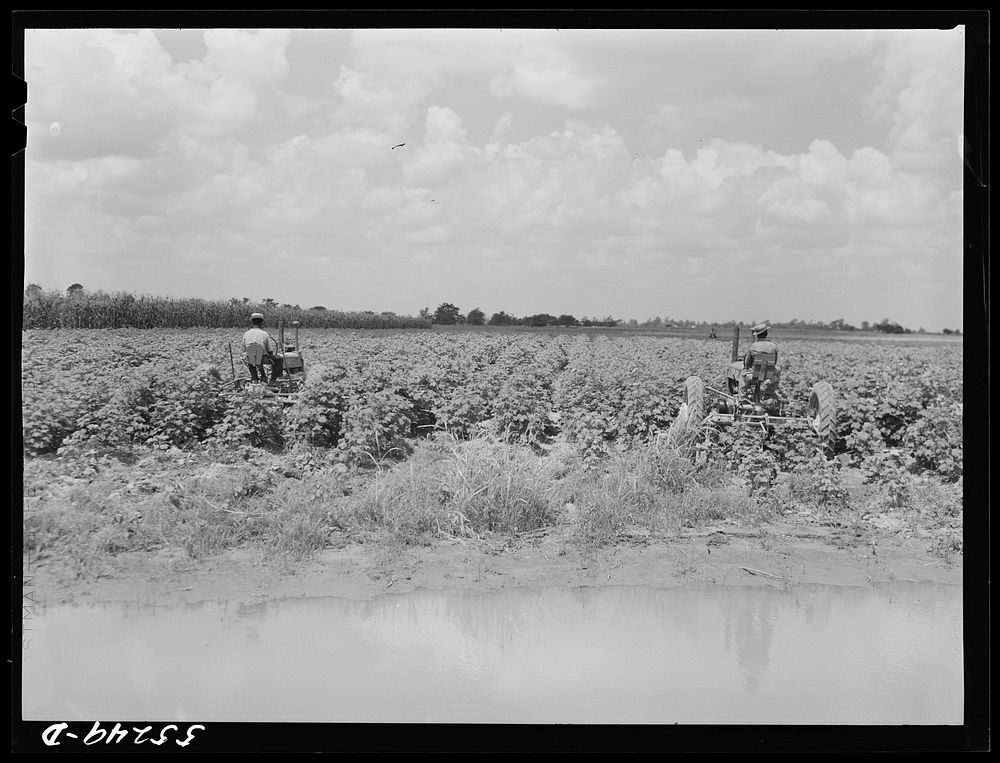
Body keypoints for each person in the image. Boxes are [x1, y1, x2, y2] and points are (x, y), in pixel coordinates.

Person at [739, 323, 779, 399]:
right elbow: (775, 362)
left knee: (742, 374)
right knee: (778, 371)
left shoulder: (753, 346)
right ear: (766, 333)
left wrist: (747, 368)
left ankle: (742, 398)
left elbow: (747, 364)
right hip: (769, 375)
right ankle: (770, 392)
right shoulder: (774, 346)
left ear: (757, 335)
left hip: (754, 375)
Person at [242, 313, 283, 386]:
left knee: (250, 358)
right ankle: (273, 379)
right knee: (279, 359)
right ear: (261, 323)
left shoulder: (246, 334)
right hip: (263, 358)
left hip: (251, 358)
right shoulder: (264, 334)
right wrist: (271, 355)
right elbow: (270, 350)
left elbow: (244, 349)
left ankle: (255, 378)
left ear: (252, 322)